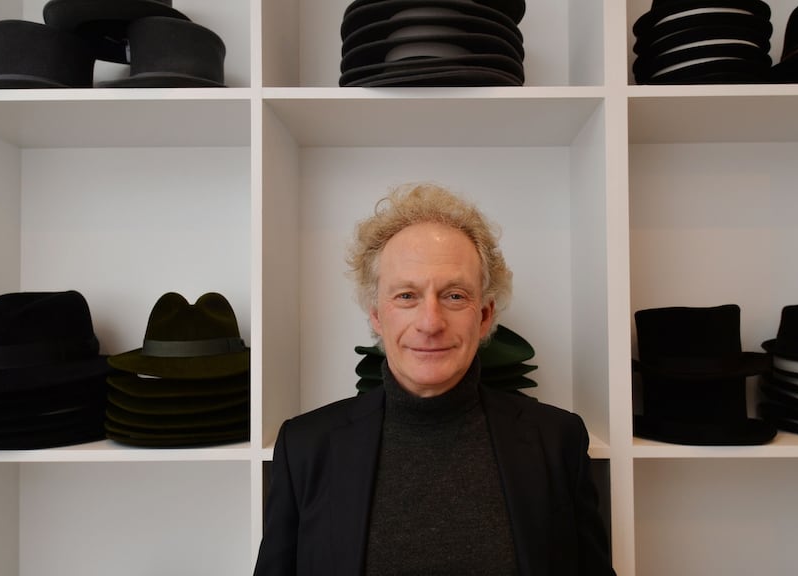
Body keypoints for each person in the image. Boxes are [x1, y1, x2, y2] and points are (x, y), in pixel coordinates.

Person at [253, 183, 616, 575]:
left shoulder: (557, 440)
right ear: (376, 314)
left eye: (455, 295)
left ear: (484, 316)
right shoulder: (305, 447)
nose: (430, 323)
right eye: (407, 296)